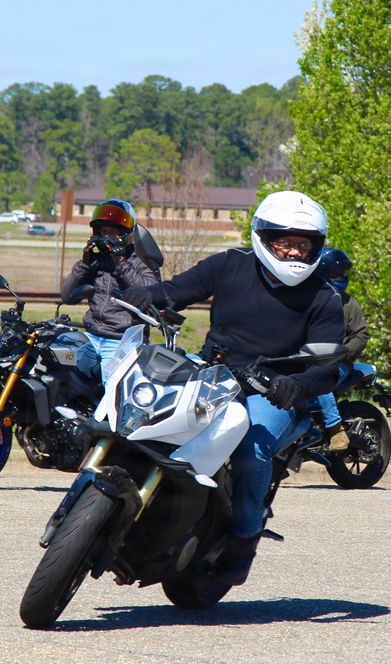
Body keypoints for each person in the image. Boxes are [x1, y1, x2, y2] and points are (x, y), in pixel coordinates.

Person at [121, 190, 344, 586]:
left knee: (252, 448)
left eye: (302, 245)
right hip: (213, 373)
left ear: (316, 248)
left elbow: (328, 370)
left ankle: (245, 537)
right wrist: (149, 295)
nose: (293, 252)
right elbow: (180, 288)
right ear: (264, 236)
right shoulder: (230, 264)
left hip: (272, 392)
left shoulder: (325, 297)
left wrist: (295, 383)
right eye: (285, 242)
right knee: (148, 415)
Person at [59, 199, 159, 381]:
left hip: (122, 340)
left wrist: (120, 263)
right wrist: (84, 263)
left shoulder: (140, 261)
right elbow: (67, 296)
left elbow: (149, 291)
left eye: (114, 232)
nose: (108, 237)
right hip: (91, 335)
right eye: (103, 232)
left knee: (113, 389)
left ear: (127, 234)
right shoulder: (95, 261)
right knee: (57, 366)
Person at [314, 247, 369, 452]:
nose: (340, 277)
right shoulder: (308, 300)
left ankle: (336, 430)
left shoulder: (349, 303)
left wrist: (342, 354)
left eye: (343, 273)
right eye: (333, 273)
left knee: (318, 379)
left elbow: (361, 335)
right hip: (305, 359)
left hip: (338, 363)